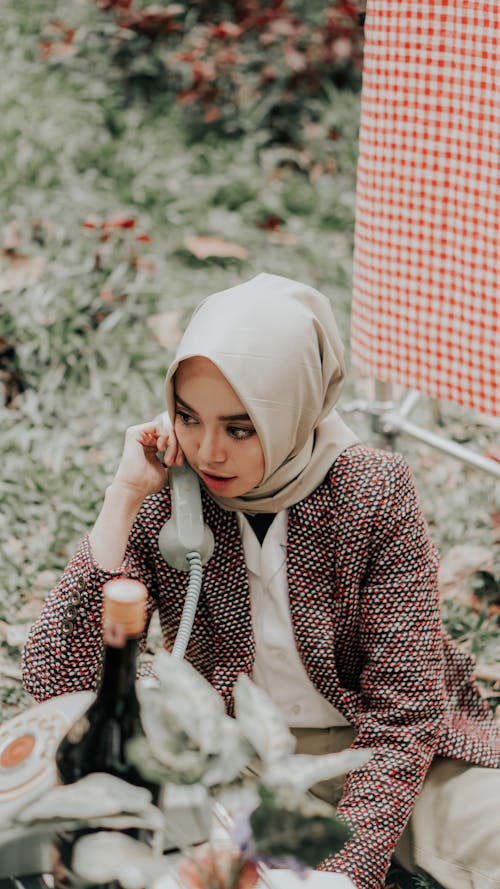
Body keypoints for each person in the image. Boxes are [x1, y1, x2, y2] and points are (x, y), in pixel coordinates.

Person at [23, 274, 499, 889]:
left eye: (239, 428)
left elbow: (405, 712)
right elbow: (58, 680)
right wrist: (122, 499)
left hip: (385, 757)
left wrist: (347, 871)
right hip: (231, 758)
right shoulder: (170, 492)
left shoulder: (372, 493)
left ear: (296, 407)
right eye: (187, 418)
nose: (208, 451)